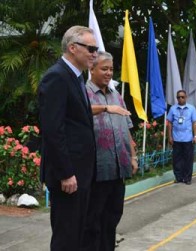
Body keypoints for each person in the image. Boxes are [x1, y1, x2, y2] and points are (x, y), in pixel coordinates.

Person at [38, 26, 98, 250]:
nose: (94, 53)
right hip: (68, 177)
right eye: (90, 48)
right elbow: (53, 130)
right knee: (66, 237)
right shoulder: (57, 77)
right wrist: (66, 173)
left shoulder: (76, 78)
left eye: (96, 49)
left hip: (81, 173)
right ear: (73, 48)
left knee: (78, 235)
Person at [81, 51, 138, 251]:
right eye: (104, 69)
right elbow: (77, 114)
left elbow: (127, 128)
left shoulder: (117, 96)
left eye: (111, 69)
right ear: (92, 69)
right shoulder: (83, 93)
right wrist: (104, 108)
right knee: (92, 221)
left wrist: (133, 156)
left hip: (118, 168)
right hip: (96, 170)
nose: (108, 73)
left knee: (113, 217)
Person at [167, 90, 196, 185]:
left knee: (188, 159)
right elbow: (169, 124)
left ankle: (187, 178)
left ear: (186, 97)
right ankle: (178, 177)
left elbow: (195, 123)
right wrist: (170, 137)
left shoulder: (191, 108)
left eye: (182, 97)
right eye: (178, 97)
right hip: (176, 139)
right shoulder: (173, 109)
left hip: (187, 139)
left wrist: (195, 136)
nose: (180, 99)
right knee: (177, 159)